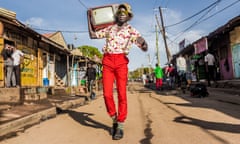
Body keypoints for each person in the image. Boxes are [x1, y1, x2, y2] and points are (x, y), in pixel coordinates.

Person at [89, 3, 148, 140]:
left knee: (122, 94)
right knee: (107, 94)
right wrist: (89, 16)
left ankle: (120, 125)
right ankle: (114, 119)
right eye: (120, 12)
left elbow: (143, 46)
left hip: (121, 61)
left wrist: (143, 43)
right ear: (116, 15)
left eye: (125, 12)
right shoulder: (109, 28)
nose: (122, 14)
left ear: (128, 16)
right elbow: (93, 35)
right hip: (108, 61)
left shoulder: (132, 31)